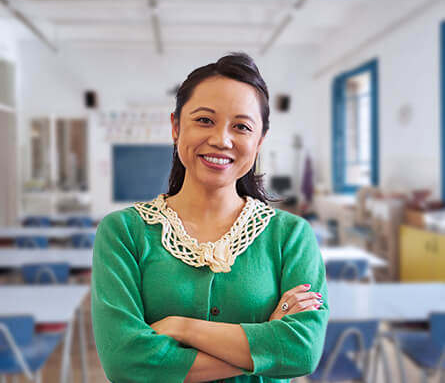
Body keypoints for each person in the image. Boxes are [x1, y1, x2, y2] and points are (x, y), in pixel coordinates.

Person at [92, 52, 329, 383]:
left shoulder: (291, 236)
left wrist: (181, 327)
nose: (221, 139)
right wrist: (269, 344)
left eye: (242, 127)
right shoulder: (123, 232)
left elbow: (303, 351)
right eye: (204, 120)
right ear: (176, 127)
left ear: (259, 141)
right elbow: (124, 362)